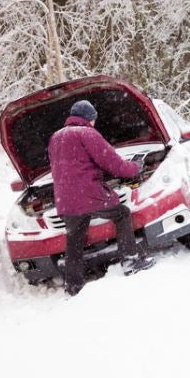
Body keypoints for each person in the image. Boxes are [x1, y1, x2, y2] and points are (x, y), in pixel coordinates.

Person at [48, 100, 154, 296]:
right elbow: (114, 164)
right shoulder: (87, 133)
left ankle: (73, 286)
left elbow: (67, 166)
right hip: (88, 194)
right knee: (122, 214)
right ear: (89, 118)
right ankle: (131, 261)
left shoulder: (55, 137)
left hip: (64, 199)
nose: (94, 123)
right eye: (94, 119)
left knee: (74, 239)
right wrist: (135, 167)